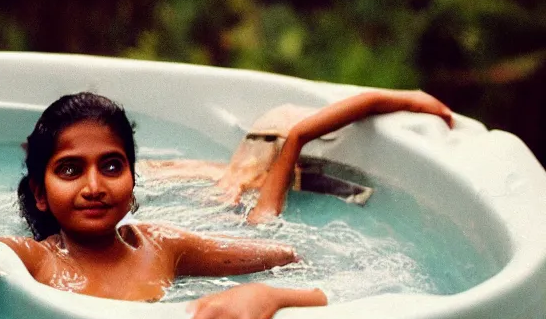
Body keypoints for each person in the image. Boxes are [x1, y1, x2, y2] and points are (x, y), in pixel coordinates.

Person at [0, 92, 328, 319]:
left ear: (132, 179)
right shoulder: (35, 260)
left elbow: (299, 259)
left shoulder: (161, 247)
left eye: (112, 166)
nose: (94, 186)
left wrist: (266, 296)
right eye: (70, 170)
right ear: (40, 193)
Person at [140, 91, 454, 222]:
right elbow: (299, 135)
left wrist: (412, 100)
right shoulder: (254, 200)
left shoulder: (200, 172)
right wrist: (412, 100)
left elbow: (298, 136)